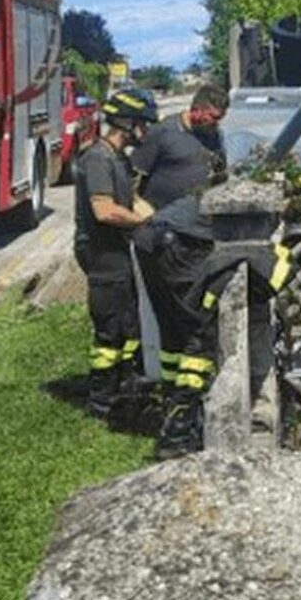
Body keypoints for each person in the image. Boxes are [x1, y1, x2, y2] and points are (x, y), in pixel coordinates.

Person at [131, 84, 229, 458]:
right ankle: (180, 423)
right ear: (198, 109)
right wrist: (150, 220)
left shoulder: (213, 138)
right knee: (195, 329)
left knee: (174, 332)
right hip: (167, 240)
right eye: (213, 118)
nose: (215, 125)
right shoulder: (163, 134)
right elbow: (131, 184)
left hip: (192, 237)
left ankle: (175, 405)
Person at [73, 89, 158, 417]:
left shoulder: (120, 159)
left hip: (119, 251)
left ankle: (128, 385)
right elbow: (105, 210)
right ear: (127, 123)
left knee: (129, 322)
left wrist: (161, 220)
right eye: (142, 124)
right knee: (110, 327)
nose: (145, 132)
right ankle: (101, 399)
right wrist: (142, 223)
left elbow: (131, 200)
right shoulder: (97, 158)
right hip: (101, 252)